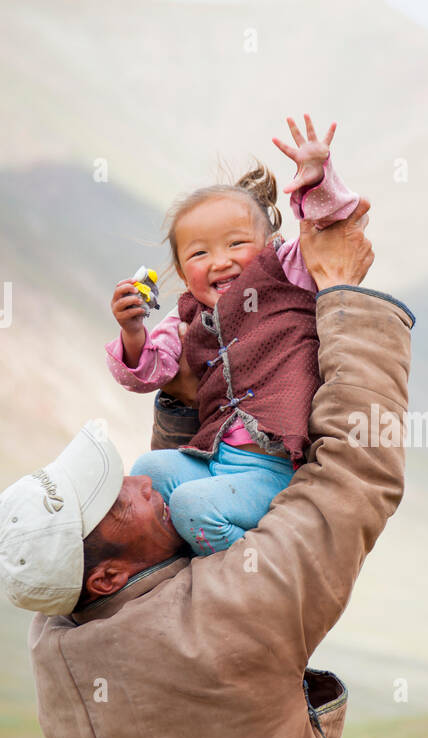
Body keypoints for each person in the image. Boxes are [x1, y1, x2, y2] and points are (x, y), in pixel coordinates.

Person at [0, 199, 414, 738]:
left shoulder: (57, 635)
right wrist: (347, 300)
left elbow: (159, 566)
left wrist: (196, 391)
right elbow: (354, 478)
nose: (138, 480)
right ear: (102, 576)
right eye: (118, 502)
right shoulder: (233, 612)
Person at [106, 114, 361, 556]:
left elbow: (328, 221)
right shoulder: (187, 320)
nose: (220, 261)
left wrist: (317, 179)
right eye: (200, 252)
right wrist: (132, 331)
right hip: (214, 459)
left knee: (190, 505)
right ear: (183, 271)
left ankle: (251, 566)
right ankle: (182, 546)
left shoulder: (288, 276)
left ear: (270, 245)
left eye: (236, 244)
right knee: (148, 472)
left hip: (274, 468)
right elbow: (146, 373)